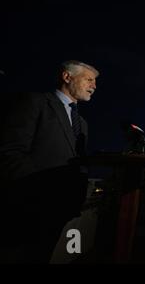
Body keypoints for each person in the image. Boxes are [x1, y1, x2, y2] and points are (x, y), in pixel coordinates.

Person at [0, 60, 99, 263]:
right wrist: (34, 193)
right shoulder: (34, 102)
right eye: (89, 79)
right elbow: (11, 151)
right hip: (29, 207)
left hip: (62, 207)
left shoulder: (83, 124)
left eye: (95, 82)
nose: (94, 86)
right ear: (67, 77)